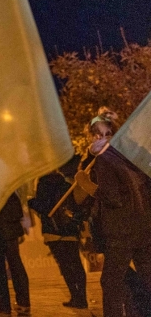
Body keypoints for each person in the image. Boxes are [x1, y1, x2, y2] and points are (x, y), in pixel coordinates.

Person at [74, 108, 151, 317]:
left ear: (114, 135)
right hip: (144, 229)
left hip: (121, 233)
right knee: (145, 279)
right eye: (98, 134)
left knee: (111, 283)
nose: (102, 138)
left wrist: (86, 184)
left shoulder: (105, 160)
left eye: (107, 134)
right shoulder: (131, 157)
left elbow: (112, 198)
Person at [28, 158, 88, 309]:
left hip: (54, 231)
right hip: (70, 230)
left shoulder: (43, 184)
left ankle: (75, 297)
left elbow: (44, 207)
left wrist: (31, 202)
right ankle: (82, 297)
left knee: (65, 265)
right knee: (76, 263)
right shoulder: (66, 184)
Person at [0, 192, 31, 315]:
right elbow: (17, 208)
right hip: (10, 228)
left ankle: (3, 303)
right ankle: (23, 303)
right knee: (16, 264)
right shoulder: (8, 186)